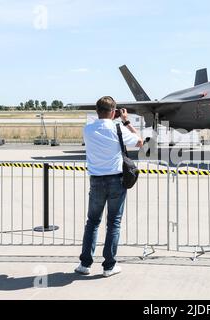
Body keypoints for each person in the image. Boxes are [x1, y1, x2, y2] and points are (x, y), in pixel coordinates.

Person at [75, 96, 143, 277]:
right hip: (115, 180)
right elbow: (140, 141)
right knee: (113, 223)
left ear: (97, 111)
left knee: (92, 222)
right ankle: (109, 266)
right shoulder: (117, 128)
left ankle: (85, 263)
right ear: (113, 112)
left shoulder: (87, 129)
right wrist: (126, 121)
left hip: (96, 180)